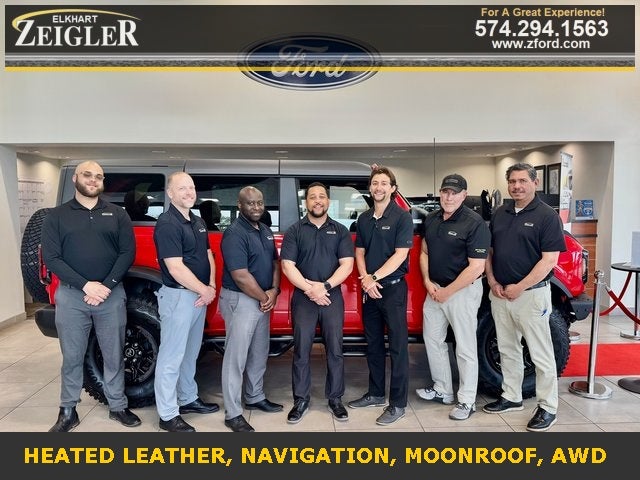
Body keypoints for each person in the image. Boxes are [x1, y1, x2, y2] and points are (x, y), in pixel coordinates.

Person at [41, 160, 141, 432]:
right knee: (72, 356)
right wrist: (86, 286)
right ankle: (68, 410)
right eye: (88, 175)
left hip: (111, 295)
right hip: (72, 296)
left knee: (113, 354)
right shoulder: (57, 216)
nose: (93, 180)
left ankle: (117, 406)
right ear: (75, 178)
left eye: (99, 176)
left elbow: (127, 253)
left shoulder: (117, 214)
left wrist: (106, 286)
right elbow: (52, 258)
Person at [483, 162, 566, 432]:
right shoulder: (501, 213)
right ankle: (511, 396)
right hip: (500, 293)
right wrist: (493, 281)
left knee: (541, 354)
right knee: (507, 349)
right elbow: (490, 252)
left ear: (535, 183)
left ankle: (547, 407)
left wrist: (519, 286)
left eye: (522, 181)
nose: (516, 186)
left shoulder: (547, 216)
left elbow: (549, 260)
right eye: (512, 181)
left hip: (531, 295)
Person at [416, 174, 490, 420]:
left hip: (462, 292)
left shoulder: (474, 223)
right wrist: (428, 282)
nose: (448, 197)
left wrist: (448, 291)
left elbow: (477, 267)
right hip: (435, 290)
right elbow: (424, 251)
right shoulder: (432, 219)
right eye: (445, 192)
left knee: (465, 347)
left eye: (454, 193)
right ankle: (443, 389)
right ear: (440, 193)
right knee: (432, 340)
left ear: (464, 195)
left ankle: (467, 401)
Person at [280, 182, 354, 424]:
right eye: (313, 197)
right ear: (306, 202)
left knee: (335, 350)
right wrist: (310, 289)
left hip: (332, 297)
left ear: (328, 202)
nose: (318, 201)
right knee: (301, 350)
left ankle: (335, 399)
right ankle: (300, 400)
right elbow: (287, 266)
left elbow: (347, 265)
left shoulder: (340, 230)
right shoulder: (295, 231)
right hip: (304, 299)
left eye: (322, 196)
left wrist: (325, 287)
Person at [153, 172, 220, 433]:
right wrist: (204, 289)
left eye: (191, 188)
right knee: (171, 356)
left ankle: (188, 398)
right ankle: (168, 414)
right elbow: (175, 267)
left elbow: (208, 255)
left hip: (199, 297)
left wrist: (210, 287)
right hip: (178, 296)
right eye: (182, 188)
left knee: (190, 353)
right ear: (170, 193)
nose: (189, 192)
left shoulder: (197, 220)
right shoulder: (167, 223)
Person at [348, 165, 414, 426]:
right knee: (373, 344)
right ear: (370, 188)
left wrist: (373, 278)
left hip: (393, 289)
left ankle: (397, 404)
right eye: (375, 183)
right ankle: (375, 394)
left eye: (384, 183)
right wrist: (366, 279)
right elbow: (360, 252)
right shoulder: (364, 219)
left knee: (398, 347)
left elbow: (401, 254)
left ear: (393, 188)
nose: (379, 187)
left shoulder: (402, 217)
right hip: (370, 290)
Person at [219, 186, 283, 432]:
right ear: (239, 205)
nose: (256, 207)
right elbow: (240, 276)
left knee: (258, 351)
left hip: (262, 298)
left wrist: (273, 291)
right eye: (250, 203)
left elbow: (275, 263)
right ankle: (233, 413)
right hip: (241, 299)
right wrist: (265, 297)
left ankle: (255, 396)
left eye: (259, 203)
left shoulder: (264, 230)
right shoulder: (234, 233)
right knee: (236, 358)